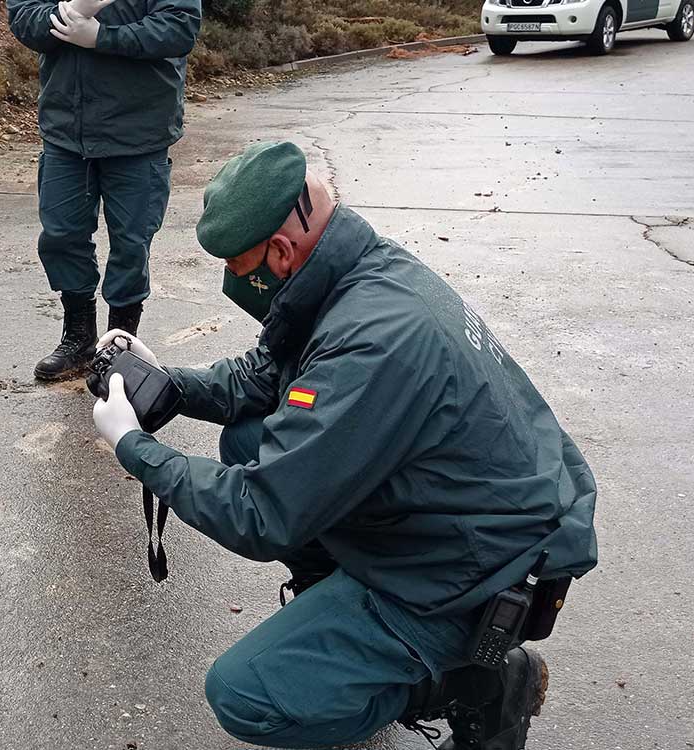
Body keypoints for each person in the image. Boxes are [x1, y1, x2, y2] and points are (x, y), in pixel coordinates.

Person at [89, 141, 600, 749]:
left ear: (280, 251)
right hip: (471, 514)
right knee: (250, 436)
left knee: (244, 695)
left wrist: (134, 447)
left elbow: (260, 513)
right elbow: (260, 376)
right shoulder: (353, 271)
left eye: (236, 264)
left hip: (476, 570)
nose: (232, 279)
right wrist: (168, 385)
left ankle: (476, 682)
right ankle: (343, 617)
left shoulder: (372, 339)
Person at [5, 0, 202, 381]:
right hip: (67, 128)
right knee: (62, 235)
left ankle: (121, 346)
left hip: (139, 130)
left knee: (132, 241)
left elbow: (179, 27)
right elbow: (24, 17)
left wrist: (102, 37)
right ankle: (79, 338)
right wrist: (67, 14)